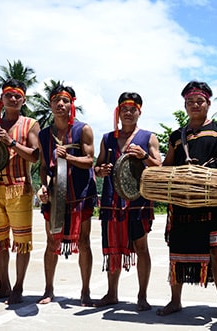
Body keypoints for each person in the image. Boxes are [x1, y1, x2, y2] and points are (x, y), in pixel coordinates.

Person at [156, 81, 217, 319]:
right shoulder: (177, 136)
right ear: (185, 105)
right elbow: (166, 167)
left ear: (208, 103)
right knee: (175, 253)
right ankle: (175, 301)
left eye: (200, 101)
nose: (195, 105)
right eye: (190, 102)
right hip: (181, 203)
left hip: (211, 202)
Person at [94, 92, 161, 310]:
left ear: (139, 112)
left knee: (141, 247)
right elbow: (97, 167)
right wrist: (101, 170)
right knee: (112, 248)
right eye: (125, 109)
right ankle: (111, 293)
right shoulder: (107, 138)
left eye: (133, 109)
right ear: (119, 112)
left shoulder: (148, 138)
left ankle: (142, 296)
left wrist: (143, 156)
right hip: (111, 200)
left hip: (138, 200)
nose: (129, 113)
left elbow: (159, 168)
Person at [0, 79, 40, 305]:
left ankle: (18, 286)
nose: (13, 99)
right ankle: (3, 285)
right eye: (9, 95)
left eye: (17, 96)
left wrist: (11, 142)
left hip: (19, 188)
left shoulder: (31, 124)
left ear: (23, 100)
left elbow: (35, 155)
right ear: (1, 99)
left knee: (21, 240)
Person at [36, 84, 98, 307]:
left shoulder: (84, 130)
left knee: (83, 241)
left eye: (65, 101)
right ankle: (48, 289)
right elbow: (44, 167)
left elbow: (91, 161)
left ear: (72, 104)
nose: (60, 104)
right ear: (51, 104)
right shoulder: (44, 134)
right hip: (54, 196)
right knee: (51, 240)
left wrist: (69, 158)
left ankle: (85, 291)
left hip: (80, 194)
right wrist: (43, 187)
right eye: (56, 101)